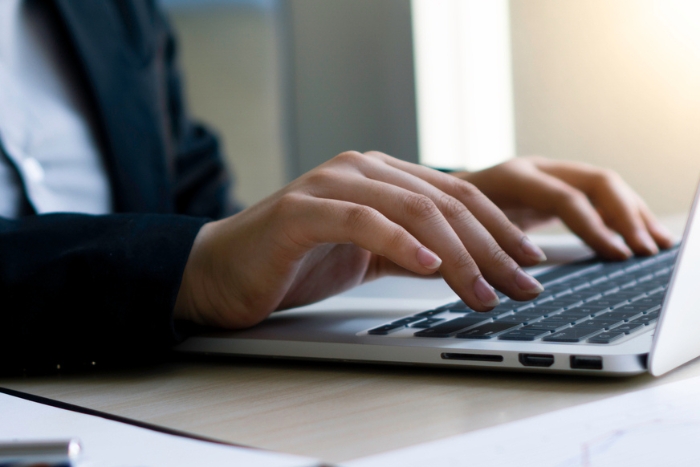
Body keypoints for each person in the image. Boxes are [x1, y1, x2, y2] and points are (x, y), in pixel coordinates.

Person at [0, 0, 673, 373]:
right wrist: (193, 264)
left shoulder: (112, 11)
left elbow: (200, 222)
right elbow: (190, 257)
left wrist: (425, 202)